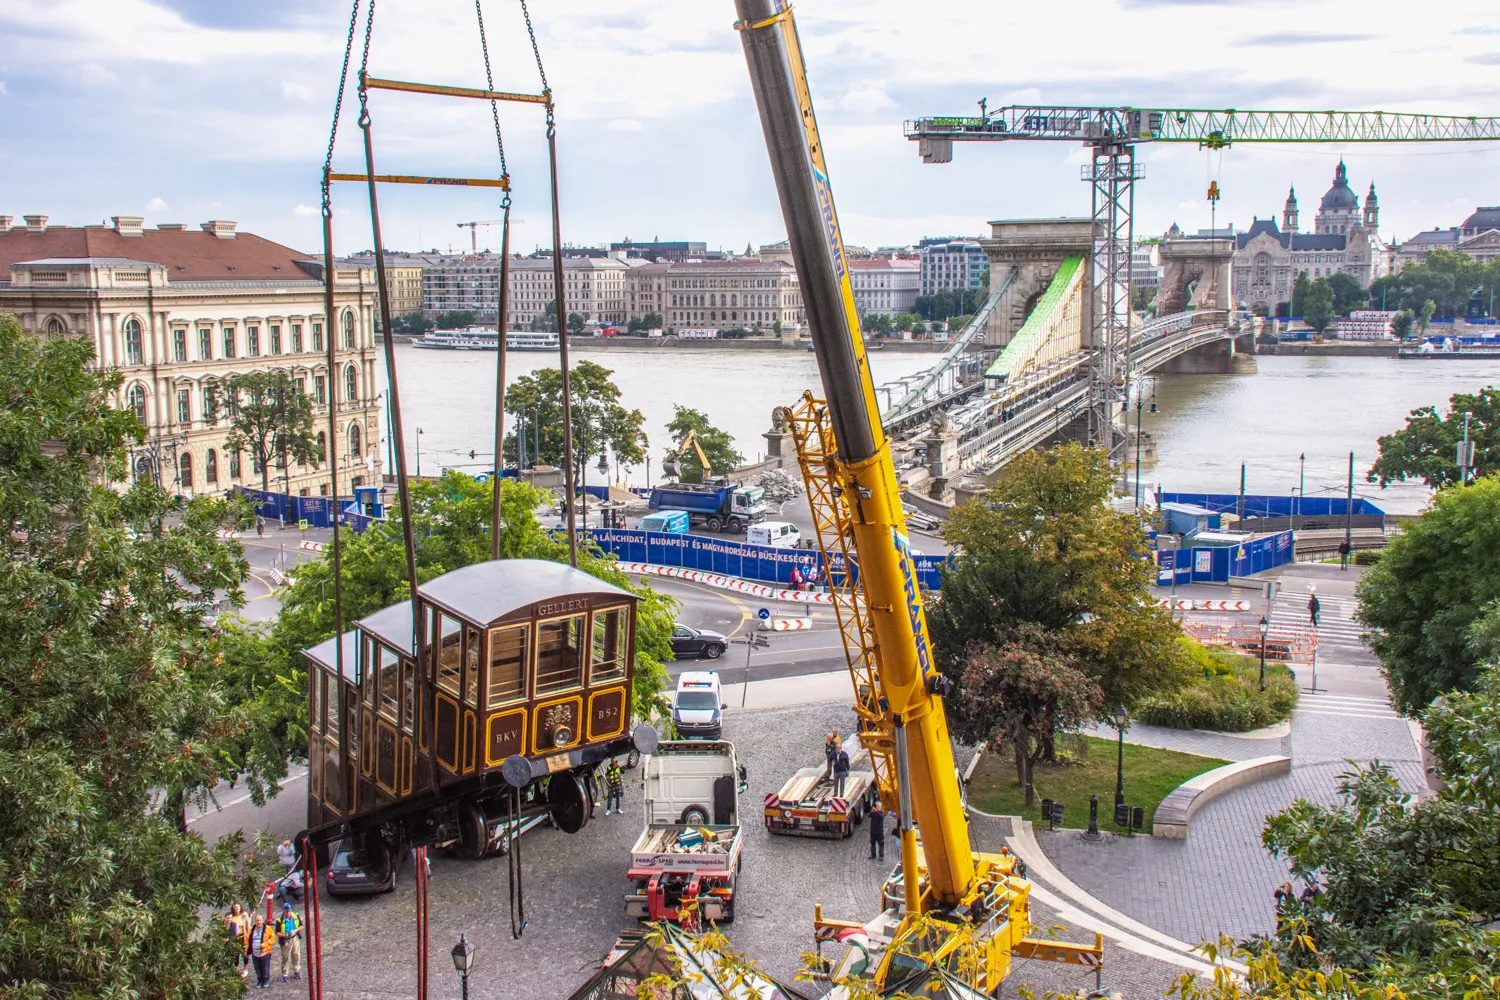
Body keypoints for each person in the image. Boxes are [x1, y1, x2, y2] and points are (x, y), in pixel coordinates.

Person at [275, 902, 303, 983]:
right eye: (286, 911)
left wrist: (295, 930)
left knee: (296, 954)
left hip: (295, 937)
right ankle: (284, 974)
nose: (288, 913)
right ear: (284, 911)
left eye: (289, 911)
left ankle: (296, 970)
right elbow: (277, 932)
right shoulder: (279, 920)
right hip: (285, 939)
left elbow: (301, 925)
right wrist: (285, 935)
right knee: (285, 957)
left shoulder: (296, 916)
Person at [245, 913, 274, 989]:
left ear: (262, 921)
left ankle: (266, 980)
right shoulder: (251, 930)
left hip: (265, 952)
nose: (259, 922)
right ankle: (259, 980)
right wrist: (246, 951)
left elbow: (272, 938)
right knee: (257, 968)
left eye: (260, 920)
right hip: (255, 953)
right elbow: (246, 940)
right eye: (257, 920)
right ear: (255, 921)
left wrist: (266, 943)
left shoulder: (268, 929)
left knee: (265, 967)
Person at [225, 903, 251, 977]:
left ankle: (245, 968)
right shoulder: (231, 916)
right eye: (235, 907)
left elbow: (248, 925)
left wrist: (248, 934)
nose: (237, 908)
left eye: (238, 906)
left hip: (243, 936)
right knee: (236, 954)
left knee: (245, 953)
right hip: (234, 937)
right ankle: (235, 968)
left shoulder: (243, 915)